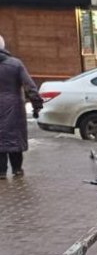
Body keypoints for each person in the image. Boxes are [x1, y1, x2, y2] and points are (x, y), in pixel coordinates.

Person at [0, 35, 43, 179]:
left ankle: (1, 172)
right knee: (15, 137)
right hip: (14, 106)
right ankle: (17, 169)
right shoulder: (15, 64)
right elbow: (29, 85)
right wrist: (36, 104)